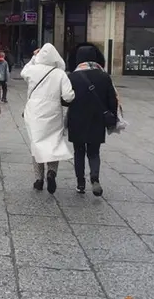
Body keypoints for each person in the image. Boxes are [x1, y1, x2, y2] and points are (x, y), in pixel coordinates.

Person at [21, 43, 75, 194]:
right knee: (53, 143)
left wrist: (33, 57)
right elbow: (68, 96)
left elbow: (23, 72)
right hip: (53, 111)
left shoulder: (32, 70)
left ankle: (39, 179)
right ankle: (51, 172)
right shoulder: (59, 73)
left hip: (35, 111)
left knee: (36, 144)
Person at [66, 44, 118, 196]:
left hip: (77, 119)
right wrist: (112, 118)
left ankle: (80, 183)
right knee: (94, 152)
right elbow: (112, 100)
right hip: (97, 119)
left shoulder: (73, 77)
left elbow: (66, 99)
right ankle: (95, 178)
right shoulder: (104, 76)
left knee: (79, 151)